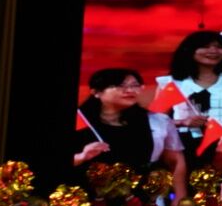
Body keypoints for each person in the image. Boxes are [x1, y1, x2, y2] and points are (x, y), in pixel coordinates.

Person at [74, 68, 187, 196]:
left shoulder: (157, 121)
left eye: (135, 85)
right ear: (96, 92)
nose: (130, 90)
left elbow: (174, 160)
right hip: (88, 196)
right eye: (120, 86)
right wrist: (81, 157)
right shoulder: (80, 120)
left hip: (143, 195)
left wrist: (180, 195)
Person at [156, 31, 222, 155]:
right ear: (189, 50)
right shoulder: (172, 82)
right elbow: (156, 120)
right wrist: (182, 122)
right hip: (185, 143)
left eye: (219, 47)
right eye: (205, 46)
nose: (214, 51)